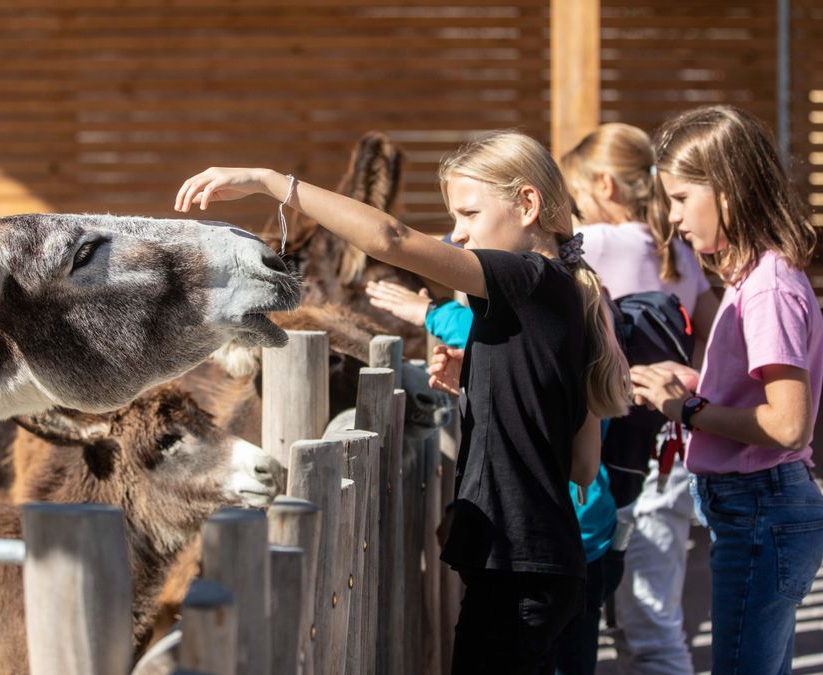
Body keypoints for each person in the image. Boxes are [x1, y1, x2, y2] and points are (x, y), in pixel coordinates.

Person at [175, 130, 632, 673]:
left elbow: (390, 239)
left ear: (528, 204)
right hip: (546, 565)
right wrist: (483, 383)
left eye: (467, 214)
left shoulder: (525, 278)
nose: (458, 236)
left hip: (517, 571)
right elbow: (581, 465)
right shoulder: (565, 292)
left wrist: (270, 183)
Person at [629, 105, 823, 675]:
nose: (672, 220)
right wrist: (696, 383)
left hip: (763, 506)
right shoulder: (758, 280)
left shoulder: (767, 289)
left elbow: (790, 425)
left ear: (730, 191)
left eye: (681, 199)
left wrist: (686, 408)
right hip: (757, 507)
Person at [368, 277, 619, 675]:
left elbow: (578, 465)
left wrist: (431, 314)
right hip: (556, 554)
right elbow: (574, 461)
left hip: (524, 564)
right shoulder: (576, 352)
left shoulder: (548, 334)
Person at [561, 123, 719, 675]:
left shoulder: (596, 244)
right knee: (653, 619)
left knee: (622, 615)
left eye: (575, 195)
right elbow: (713, 337)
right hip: (667, 450)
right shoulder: (681, 247)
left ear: (604, 185)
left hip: (614, 452)